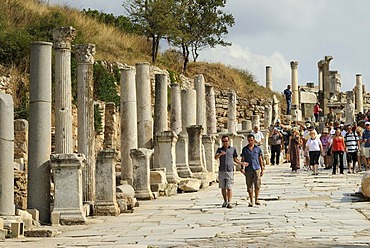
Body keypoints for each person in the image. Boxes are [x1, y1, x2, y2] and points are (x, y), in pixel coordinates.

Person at [215, 135, 244, 208]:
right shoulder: (219, 149)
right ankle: (225, 201)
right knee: (223, 187)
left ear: (228, 141)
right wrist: (220, 154)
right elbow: (215, 157)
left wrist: (241, 163)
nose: (225, 143)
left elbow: (235, 159)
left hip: (230, 170)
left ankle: (229, 202)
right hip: (222, 170)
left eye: (226, 141)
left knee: (229, 187)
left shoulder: (233, 149)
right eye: (223, 141)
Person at [240, 134, 264, 207]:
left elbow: (260, 159)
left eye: (252, 140)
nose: (250, 142)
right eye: (249, 140)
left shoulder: (258, 149)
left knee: (257, 185)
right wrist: (242, 167)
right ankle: (251, 201)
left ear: (254, 140)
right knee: (249, 185)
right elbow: (243, 159)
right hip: (248, 169)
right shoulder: (245, 149)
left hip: (256, 168)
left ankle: (256, 199)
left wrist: (262, 169)